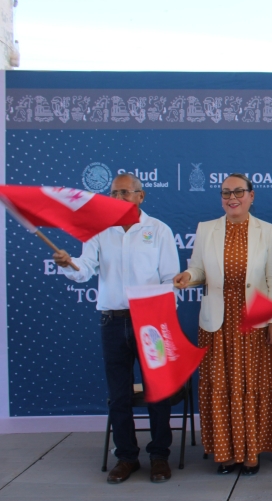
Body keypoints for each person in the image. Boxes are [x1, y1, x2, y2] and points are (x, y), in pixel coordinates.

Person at [53, 173, 179, 484]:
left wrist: (160, 317)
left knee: (157, 393)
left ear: (141, 196)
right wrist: (69, 264)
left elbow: (171, 280)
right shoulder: (99, 229)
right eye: (113, 193)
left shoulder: (158, 230)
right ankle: (126, 457)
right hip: (113, 321)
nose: (118, 198)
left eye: (124, 192)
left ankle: (159, 456)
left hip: (151, 322)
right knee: (119, 395)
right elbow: (85, 270)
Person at [173, 173, 272, 475]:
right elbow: (198, 269)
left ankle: (251, 453)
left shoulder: (266, 230)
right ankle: (226, 452)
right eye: (226, 192)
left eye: (239, 191)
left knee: (252, 385)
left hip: (255, 323)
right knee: (222, 386)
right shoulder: (207, 229)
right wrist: (188, 277)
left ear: (252, 196)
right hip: (217, 325)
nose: (232, 198)